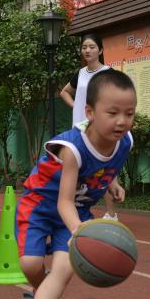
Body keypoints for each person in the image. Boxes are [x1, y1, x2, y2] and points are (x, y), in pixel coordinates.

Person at [6, 69, 135, 299]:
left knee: (63, 270)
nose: (121, 121)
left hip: (77, 210)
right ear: (89, 112)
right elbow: (63, 201)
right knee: (30, 264)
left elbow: (106, 166)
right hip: (41, 206)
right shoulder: (73, 149)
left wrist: (112, 183)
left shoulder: (125, 141)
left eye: (129, 113)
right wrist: (80, 231)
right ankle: (44, 298)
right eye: (112, 113)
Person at [59, 33, 119, 220]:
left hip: (100, 129)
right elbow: (64, 92)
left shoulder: (108, 73)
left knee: (104, 170)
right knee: (76, 171)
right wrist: (76, 106)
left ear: (100, 50)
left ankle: (111, 213)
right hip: (79, 130)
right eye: (84, 47)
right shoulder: (80, 74)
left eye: (92, 47)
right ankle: (73, 213)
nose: (87, 50)